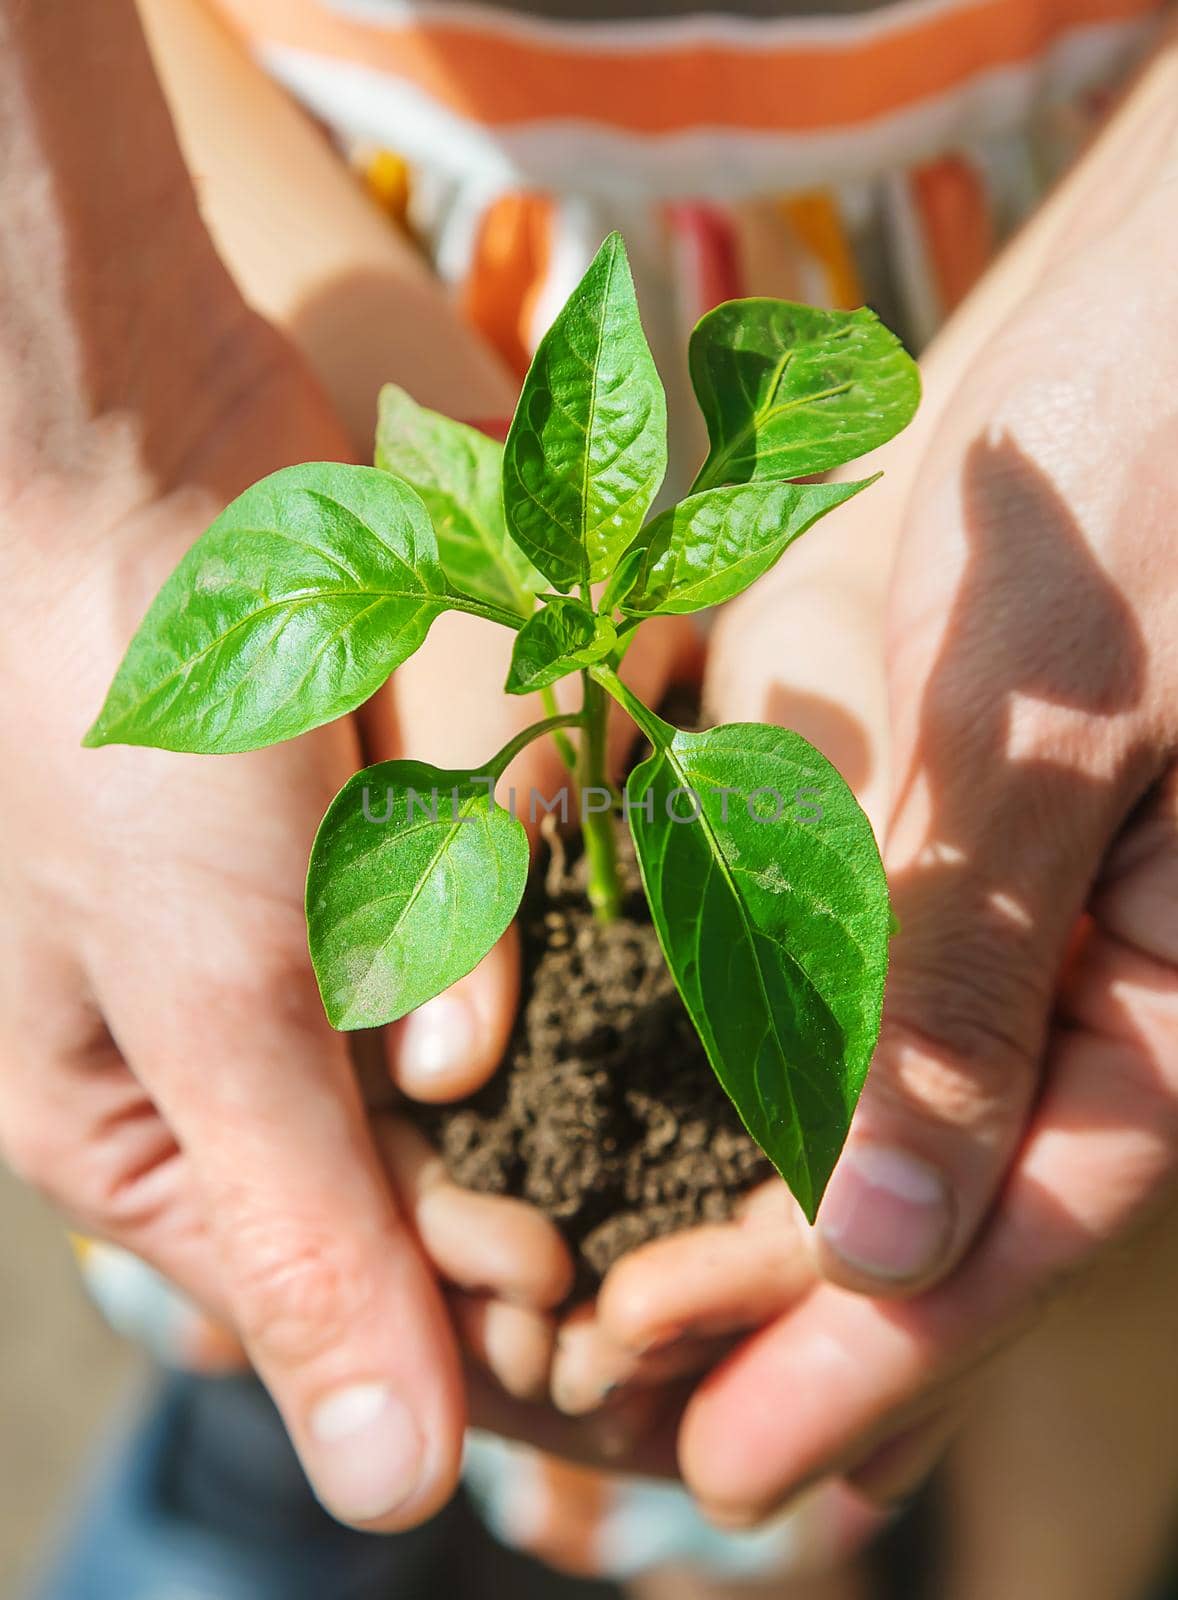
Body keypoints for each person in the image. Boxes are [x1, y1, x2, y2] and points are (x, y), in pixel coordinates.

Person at [2, 0, 1177, 1595]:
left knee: (1073, 1194)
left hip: (1081, 221)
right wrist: (75, 452)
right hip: (246, 187)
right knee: (266, 1129)